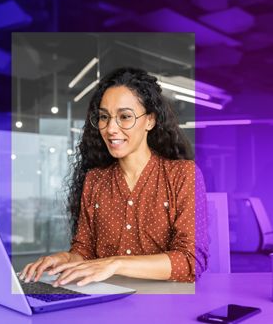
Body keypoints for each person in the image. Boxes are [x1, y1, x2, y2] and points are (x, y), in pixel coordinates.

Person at [19, 67, 208, 287]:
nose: (110, 129)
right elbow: (85, 251)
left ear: (150, 121)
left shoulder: (183, 174)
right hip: (105, 302)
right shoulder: (95, 180)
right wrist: (66, 259)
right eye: (104, 117)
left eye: (125, 117)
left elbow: (191, 260)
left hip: (166, 305)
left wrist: (115, 264)